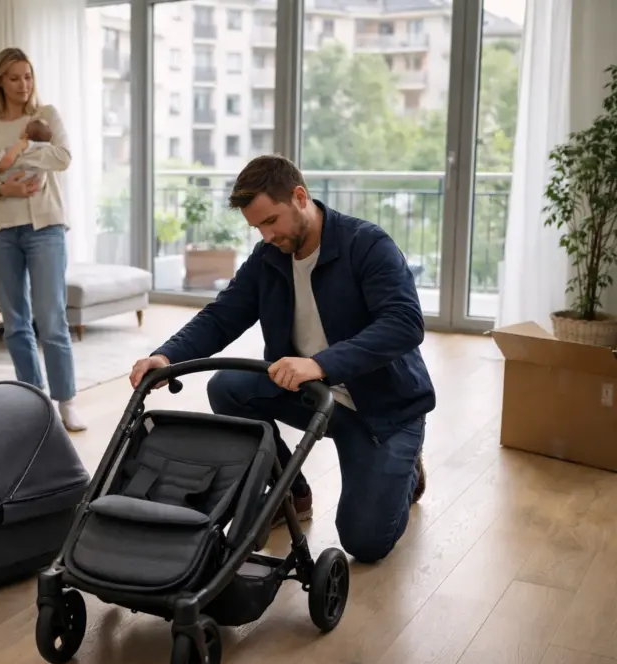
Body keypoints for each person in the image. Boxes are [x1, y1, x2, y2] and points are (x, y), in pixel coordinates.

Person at [129, 154, 434, 564]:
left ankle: (407, 468)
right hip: (312, 395)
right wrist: (166, 356)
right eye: (257, 227)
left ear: (300, 196)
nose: (266, 235)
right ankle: (291, 492)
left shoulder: (367, 245)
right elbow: (222, 316)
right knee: (228, 388)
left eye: (271, 221)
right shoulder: (268, 257)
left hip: (381, 411)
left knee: (364, 542)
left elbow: (405, 323)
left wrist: (322, 364)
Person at [0, 47, 85, 431]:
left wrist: (18, 154)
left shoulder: (45, 117)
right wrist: (3, 188)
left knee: (51, 319)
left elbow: (62, 157)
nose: (23, 84)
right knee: (15, 323)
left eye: (28, 76)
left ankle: (65, 400)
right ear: (0, 81)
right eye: (14, 77)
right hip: (1, 230)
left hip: (45, 227)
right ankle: (34, 403)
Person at [0, 118, 54, 183]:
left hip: (3, 170)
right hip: (28, 176)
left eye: (25, 126)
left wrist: (0, 168)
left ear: (26, 135)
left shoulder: (23, 143)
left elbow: (9, 159)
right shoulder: (42, 148)